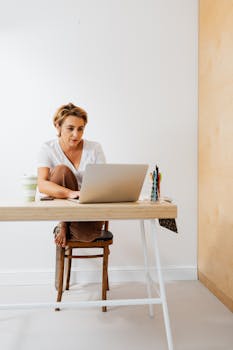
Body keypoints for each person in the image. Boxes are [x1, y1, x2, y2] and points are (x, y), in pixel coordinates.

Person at [37, 102, 106, 247]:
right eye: (70, 128)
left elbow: (103, 182)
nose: (76, 134)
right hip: (64, 205)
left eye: (81, 129)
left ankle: (64, 227)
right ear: (58, 126)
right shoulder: (48, 148)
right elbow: (42, 184)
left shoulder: (94, 148)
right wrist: (70, 193)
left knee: (85, 236)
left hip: (88, 208)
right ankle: (63, 223)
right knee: (61, 170)